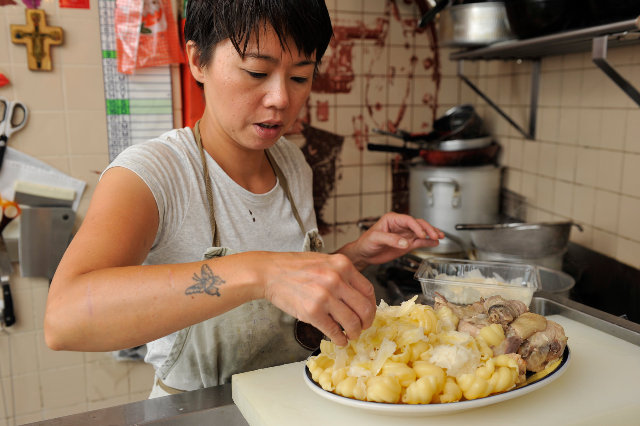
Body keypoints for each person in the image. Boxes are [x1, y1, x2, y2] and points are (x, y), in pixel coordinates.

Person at [44, 0, 444, 397]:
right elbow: (65, 318)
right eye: (257, 72)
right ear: (198, 59)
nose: (280, 99)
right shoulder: (153, 172)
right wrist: (259, 274)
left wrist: (351, 257)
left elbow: (287, 293)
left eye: (300, 77)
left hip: (288, 401)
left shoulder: (291, 163)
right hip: (198, 413)